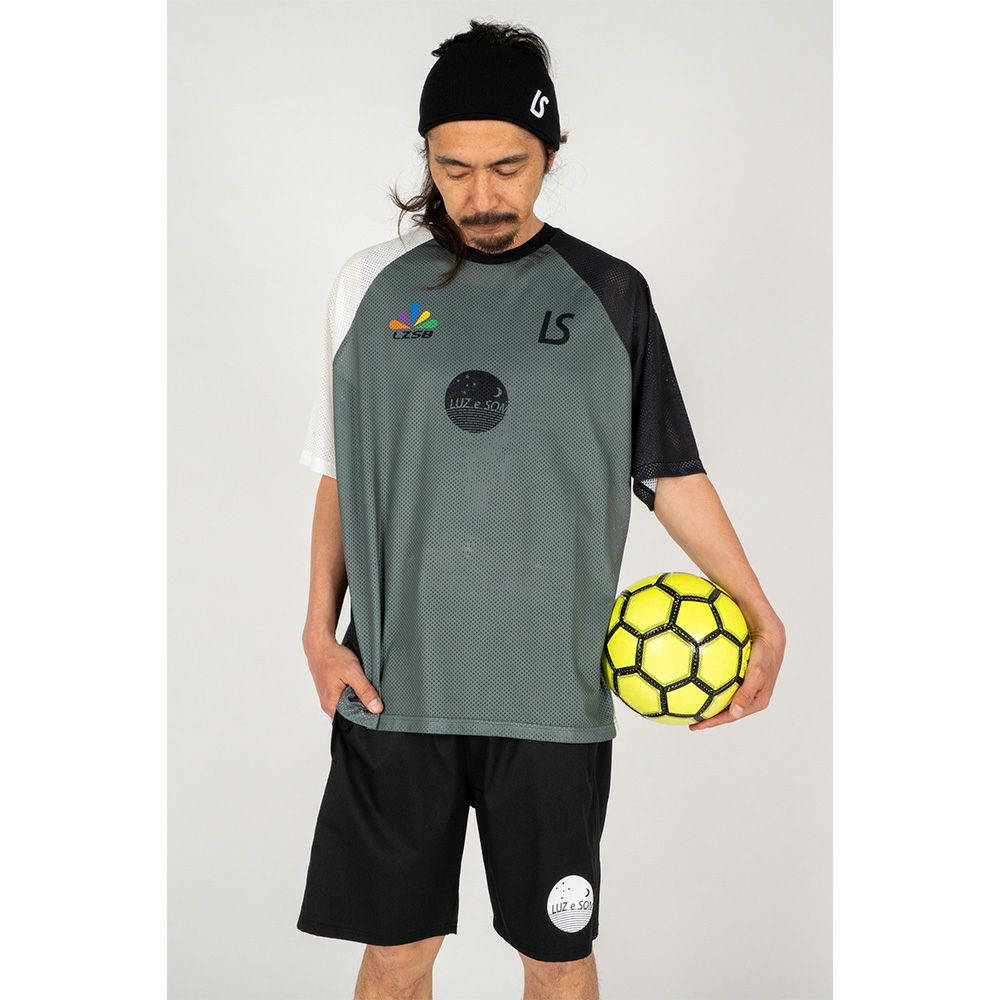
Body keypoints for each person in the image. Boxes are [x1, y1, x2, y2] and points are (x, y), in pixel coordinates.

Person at [296, 19, 786, 1000]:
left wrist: (760, 612)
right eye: (453, 168)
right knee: (395, 957)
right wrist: (318, 630)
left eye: (507, 166)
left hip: (553, 702)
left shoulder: (610, 295)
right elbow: (341, 470)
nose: (480, 194)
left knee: (557, 959)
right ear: (427, 158)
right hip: (396, 692)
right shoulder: (368, 288)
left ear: (550, 153)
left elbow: (669, 472)